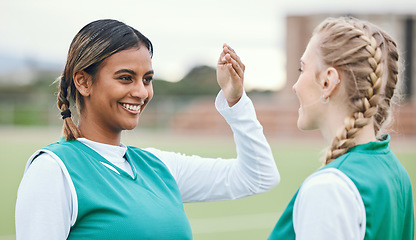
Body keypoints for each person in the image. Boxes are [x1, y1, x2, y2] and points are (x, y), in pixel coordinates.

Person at [15, 19, 280, 239]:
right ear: (83, 82)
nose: (141, 92)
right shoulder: (53, 170)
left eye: (148, 79)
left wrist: (236, 101)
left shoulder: (158, 166)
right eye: (125, 78)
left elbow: (258, 176)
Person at [268, 16, 414, 240]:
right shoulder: (396, 173)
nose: (295, 87)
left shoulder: (329, 188)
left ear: (328, 81)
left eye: (301, 69)